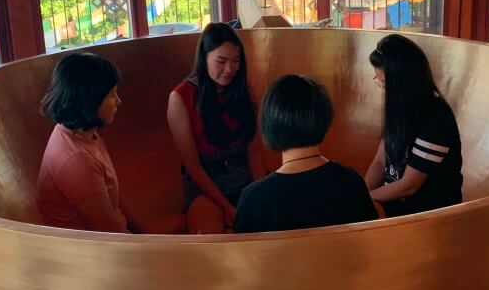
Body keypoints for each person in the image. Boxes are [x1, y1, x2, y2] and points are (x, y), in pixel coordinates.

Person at [234, 75, 377, 234]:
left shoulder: (255, 199)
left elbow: (242, 256)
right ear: (324, 118)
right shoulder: (351, 180)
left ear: (270, 125)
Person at [167, 23, 260, 234]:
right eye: (221, 61)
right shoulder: (181, 97)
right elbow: (192, 165)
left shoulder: (241, 90)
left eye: (236, 61)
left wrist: (259, 192)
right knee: (209, 237)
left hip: (243, 176)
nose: (229, 69)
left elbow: (254, 151)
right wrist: (227, 207)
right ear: (204, 58)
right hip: (205, 184)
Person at [365, 34, 463, 216]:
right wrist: (361, 195)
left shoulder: (435, 117)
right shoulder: (400, 107)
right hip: (395, 203)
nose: (384, 90)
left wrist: (364, 200)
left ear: (404, 81)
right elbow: (380, 160)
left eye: (386, 84)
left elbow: (409, 185)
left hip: (425, 214)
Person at [37, 52, 127, 233]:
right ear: (89, 100)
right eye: (111, 95)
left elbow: (112, 204)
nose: (118, 101)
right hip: (93, 255)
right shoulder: (76, 161)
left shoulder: (82, 134)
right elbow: (111, 234)